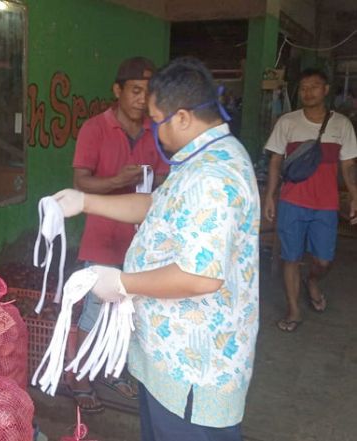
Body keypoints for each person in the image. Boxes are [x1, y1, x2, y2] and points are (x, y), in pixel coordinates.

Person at [55, 57, 260, 440]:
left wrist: (122, 283)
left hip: (194, 372)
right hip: (170, 363)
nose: (154, 133)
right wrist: (85, 202)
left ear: (182, 118)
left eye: (157, 121)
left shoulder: (212, 177)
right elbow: (156, 205)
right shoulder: (200, 160)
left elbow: (199, 278)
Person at [67, 56, 169, 413]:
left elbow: (161, 179)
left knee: (130, 309)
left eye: (148, 92)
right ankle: (77, 376)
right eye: (136, 91)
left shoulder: (155, 132)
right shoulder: (95, 128)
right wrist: (117, 181)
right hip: (102, 236)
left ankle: (111, 369)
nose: (142, 99)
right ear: (118, 90)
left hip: (141, 240)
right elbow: (81, 182)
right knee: (95, 309)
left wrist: (153, 182)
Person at [264, 68, 357, 332]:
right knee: (290, 258)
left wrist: (354, 196)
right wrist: (270, 196)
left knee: (324, 260)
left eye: (314, 86)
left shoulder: (341, 125)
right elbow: (275, 161)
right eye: (304, 87)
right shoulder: (287, 122)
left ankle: (313, 281)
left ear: (326, 89)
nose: (308, 92)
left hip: (326, 205)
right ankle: (294, 311)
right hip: (292, 201)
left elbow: (349, 165)